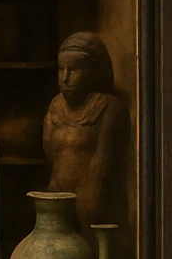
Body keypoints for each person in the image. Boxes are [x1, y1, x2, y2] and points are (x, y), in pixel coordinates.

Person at [43, 31, 129, 241]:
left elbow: (102, 167)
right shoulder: (56, 106)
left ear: (93, 72)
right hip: (56, 195)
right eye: (61, 70)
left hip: (91, 202)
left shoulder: (109, 108)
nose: (65, 78)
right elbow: (50, 154)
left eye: (73, 70)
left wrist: (88, 205)